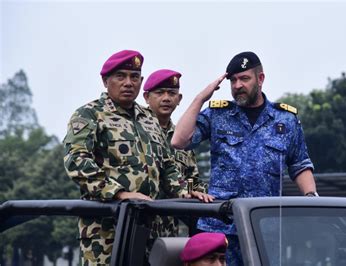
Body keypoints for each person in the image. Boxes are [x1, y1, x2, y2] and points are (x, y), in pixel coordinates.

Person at [171, 51, 318, 265]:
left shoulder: (285, 119)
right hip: (219, 227)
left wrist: (311, 197)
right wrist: (201, 98)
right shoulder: (217, 114)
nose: (238, 85)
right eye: (233, 80)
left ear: (260, 79)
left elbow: (299, 164)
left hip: (265, 228)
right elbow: (179, 141)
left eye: (244, 79)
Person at [63, 50, 190, 265]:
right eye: (120, 76)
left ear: (141, 82)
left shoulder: (149, 118)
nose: (128, 83)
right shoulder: (90, 114)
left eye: (134, 77)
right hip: (107, 231)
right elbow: (76, 161)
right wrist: (119, 193)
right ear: (105, 81)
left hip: (152, 229)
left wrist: (185, 192)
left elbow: (167, 164)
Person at [143, 69, 214, 235]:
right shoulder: (134, 131)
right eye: (159, 93)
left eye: (172, 93)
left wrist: (192, 192)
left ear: (179, 99)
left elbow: (191, 178)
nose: (166, 98)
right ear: (146, 97)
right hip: (136, 225)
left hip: (169, 230)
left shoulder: (180, 139)